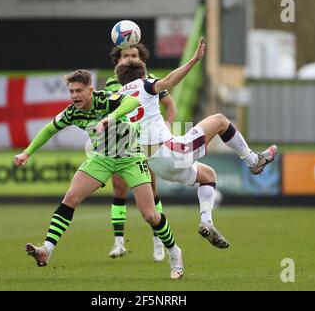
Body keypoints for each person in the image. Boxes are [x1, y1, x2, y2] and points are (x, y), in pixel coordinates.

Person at [96, 37, 278, 248]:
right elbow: (171, 81)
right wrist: (193, 61)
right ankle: (253, 160)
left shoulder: (117, 98)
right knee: (220, 120)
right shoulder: (145, 85)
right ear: (143, 73)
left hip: (156, 165)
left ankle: (206, 222)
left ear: (120, 79)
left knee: (208, 176)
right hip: (172, 152)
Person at [14, 69, 184, 279]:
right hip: (101, 158)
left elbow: (133, 103)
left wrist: (110, 118)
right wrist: (27, 153)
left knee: (150, 214)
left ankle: (175, 253)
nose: (74, 95)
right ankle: (46, 250)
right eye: (71, 91)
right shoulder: (72, 112)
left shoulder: (106, 100)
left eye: (79, 91)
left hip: (131, 157)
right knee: (70, 198)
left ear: (91, 90)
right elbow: (49, 129)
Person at [105, 43, 178, 261]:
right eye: (125, 55)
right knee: (118, 189)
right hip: (121, 143)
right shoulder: (112, 82)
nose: (129, 58)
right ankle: (118, 243)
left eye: (133, 55)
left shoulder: (151, 80)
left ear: (141, 59)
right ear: (118, 59)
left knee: (151, 190)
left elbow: (171, 106)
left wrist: (166, 125)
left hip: (147, 142)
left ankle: (158, 240)